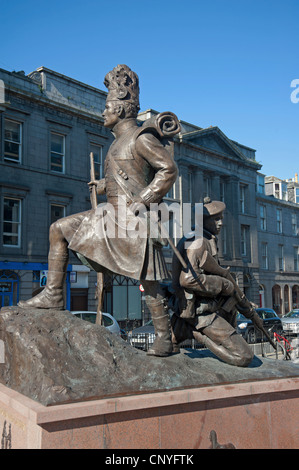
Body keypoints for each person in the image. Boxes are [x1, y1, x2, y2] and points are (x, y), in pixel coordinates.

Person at [18, 64, 179, 357]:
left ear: (120, 109)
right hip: (111, 213)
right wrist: (102, 185)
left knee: (149, 282)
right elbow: (125, 176)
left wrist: (144, 199)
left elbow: (167, 170)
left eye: (106, 107)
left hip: (132, 218)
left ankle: (164, 339)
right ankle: (54, 295)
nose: (102, 113)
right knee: (59, 229)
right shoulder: (118, 143)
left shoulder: (141, 138)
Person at [171, 197, 254, 367]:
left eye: (221, 218)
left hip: (205, 308)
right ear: (203, 220)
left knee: (231, 308)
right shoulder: (198, 242)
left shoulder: (199, 237)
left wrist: (243, 304)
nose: (221, 223)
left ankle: (185, 329)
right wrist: (224, 285)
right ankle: (194, 332)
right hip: (202, 314)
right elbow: (188, 279)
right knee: (244, 357)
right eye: (216, 219)